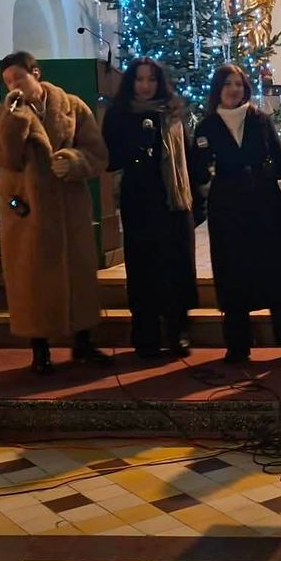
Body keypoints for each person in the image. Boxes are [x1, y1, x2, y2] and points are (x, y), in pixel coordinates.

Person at [0, 52, 112, 373]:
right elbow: (2, 157)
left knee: (77, 276)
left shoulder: (73, 107)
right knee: (33, 281)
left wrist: (73, 161)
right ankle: (39, 350)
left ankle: (83, 343)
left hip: (69, 208)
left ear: (36, 73)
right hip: (28, 211)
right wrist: (15, 118)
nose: (14, 86)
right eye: (8, 82)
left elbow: (96, 153)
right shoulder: (5, 114)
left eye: (18, 77)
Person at [190, 63, 281, 364]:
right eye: (228, 84)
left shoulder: (259, 120)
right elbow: (197, 172)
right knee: (232, 272)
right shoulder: (207, 127)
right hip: (228, 208)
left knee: (278, 272)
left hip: (264, 204)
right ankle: (238, 343)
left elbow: (280, 163)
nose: (234, 89)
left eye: (239, 84)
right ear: (218, 89)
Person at [102, 58, 198, 359]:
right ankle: (146, 334)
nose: (145, 85)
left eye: (151, 79)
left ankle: (177, 331)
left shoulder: (173, 112)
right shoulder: (119, 114)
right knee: (143, 268)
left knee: (176, 266)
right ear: (131, 82)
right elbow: (110, 159)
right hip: (139, 200)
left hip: (173, 201)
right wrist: (136, 145)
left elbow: (188, 156)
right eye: (140, 79)